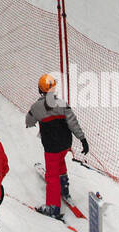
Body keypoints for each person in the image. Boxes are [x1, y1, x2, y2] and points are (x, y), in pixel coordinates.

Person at [25, 74, 90, 218]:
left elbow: (28, 122)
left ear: (40, 90)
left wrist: (37, 118)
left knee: (52, 175)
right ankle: (64, 188)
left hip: (51, 147)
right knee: (61, 163)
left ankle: (53, 207)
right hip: (65, 144)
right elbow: (73, 123)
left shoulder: (36, 107)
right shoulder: (62, 103)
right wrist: (83, 139)